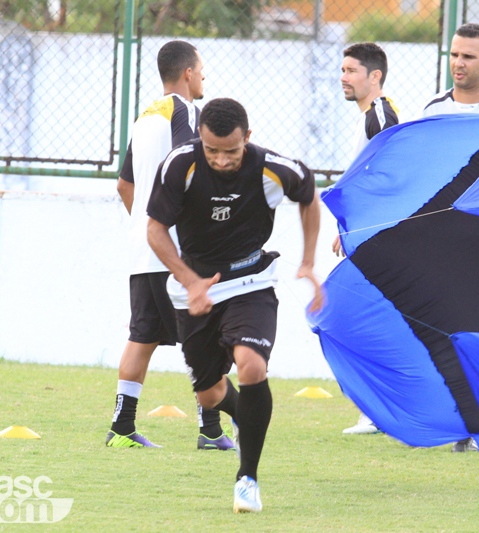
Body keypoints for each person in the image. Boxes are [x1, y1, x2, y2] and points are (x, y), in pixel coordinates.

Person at [146, 98, 322, 513]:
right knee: (208, 396)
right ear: (200, 140)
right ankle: (246, 414)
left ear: (248, 137)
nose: (221, 160)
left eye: (231, 151)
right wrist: (191, 283)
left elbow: (309, 196)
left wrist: (310, 262)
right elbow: (155, 229)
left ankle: (248, 479)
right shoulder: (180, 165)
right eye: (212, 151)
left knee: (252, 365)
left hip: (250, 280)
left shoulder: (273, 168)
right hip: (194, 287)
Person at [106, 40, 232, 451]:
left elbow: (125, 185)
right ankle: (211, 430)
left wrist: (147, 227)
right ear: (188, 74)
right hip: (177, 253)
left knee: (142, 335)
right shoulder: (186, 112)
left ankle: (122, 428)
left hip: (143, 252)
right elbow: (190, 161)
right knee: (209, 336)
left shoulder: (145, 117)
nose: (204, 77)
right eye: (202, 70)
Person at [424, 23, 479, 453]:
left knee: (472, 332)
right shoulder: (432, 111)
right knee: (439, 332)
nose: (458, 63)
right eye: (454, 55)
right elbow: (412, 175)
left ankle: (473, 421)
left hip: (478, 245)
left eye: (468, 56)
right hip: (435, 243)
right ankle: (458, 419)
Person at [337, 42, 400, 435]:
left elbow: (388, 177)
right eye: (342, 70)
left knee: (364, 320)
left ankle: (381, 412)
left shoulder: (379, 116)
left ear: (374, 77)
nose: (343, 78)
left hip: (379, 238)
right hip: (367, 234)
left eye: (351, 70)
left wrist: (361, 228)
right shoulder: (371, 115)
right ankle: (379, 411)